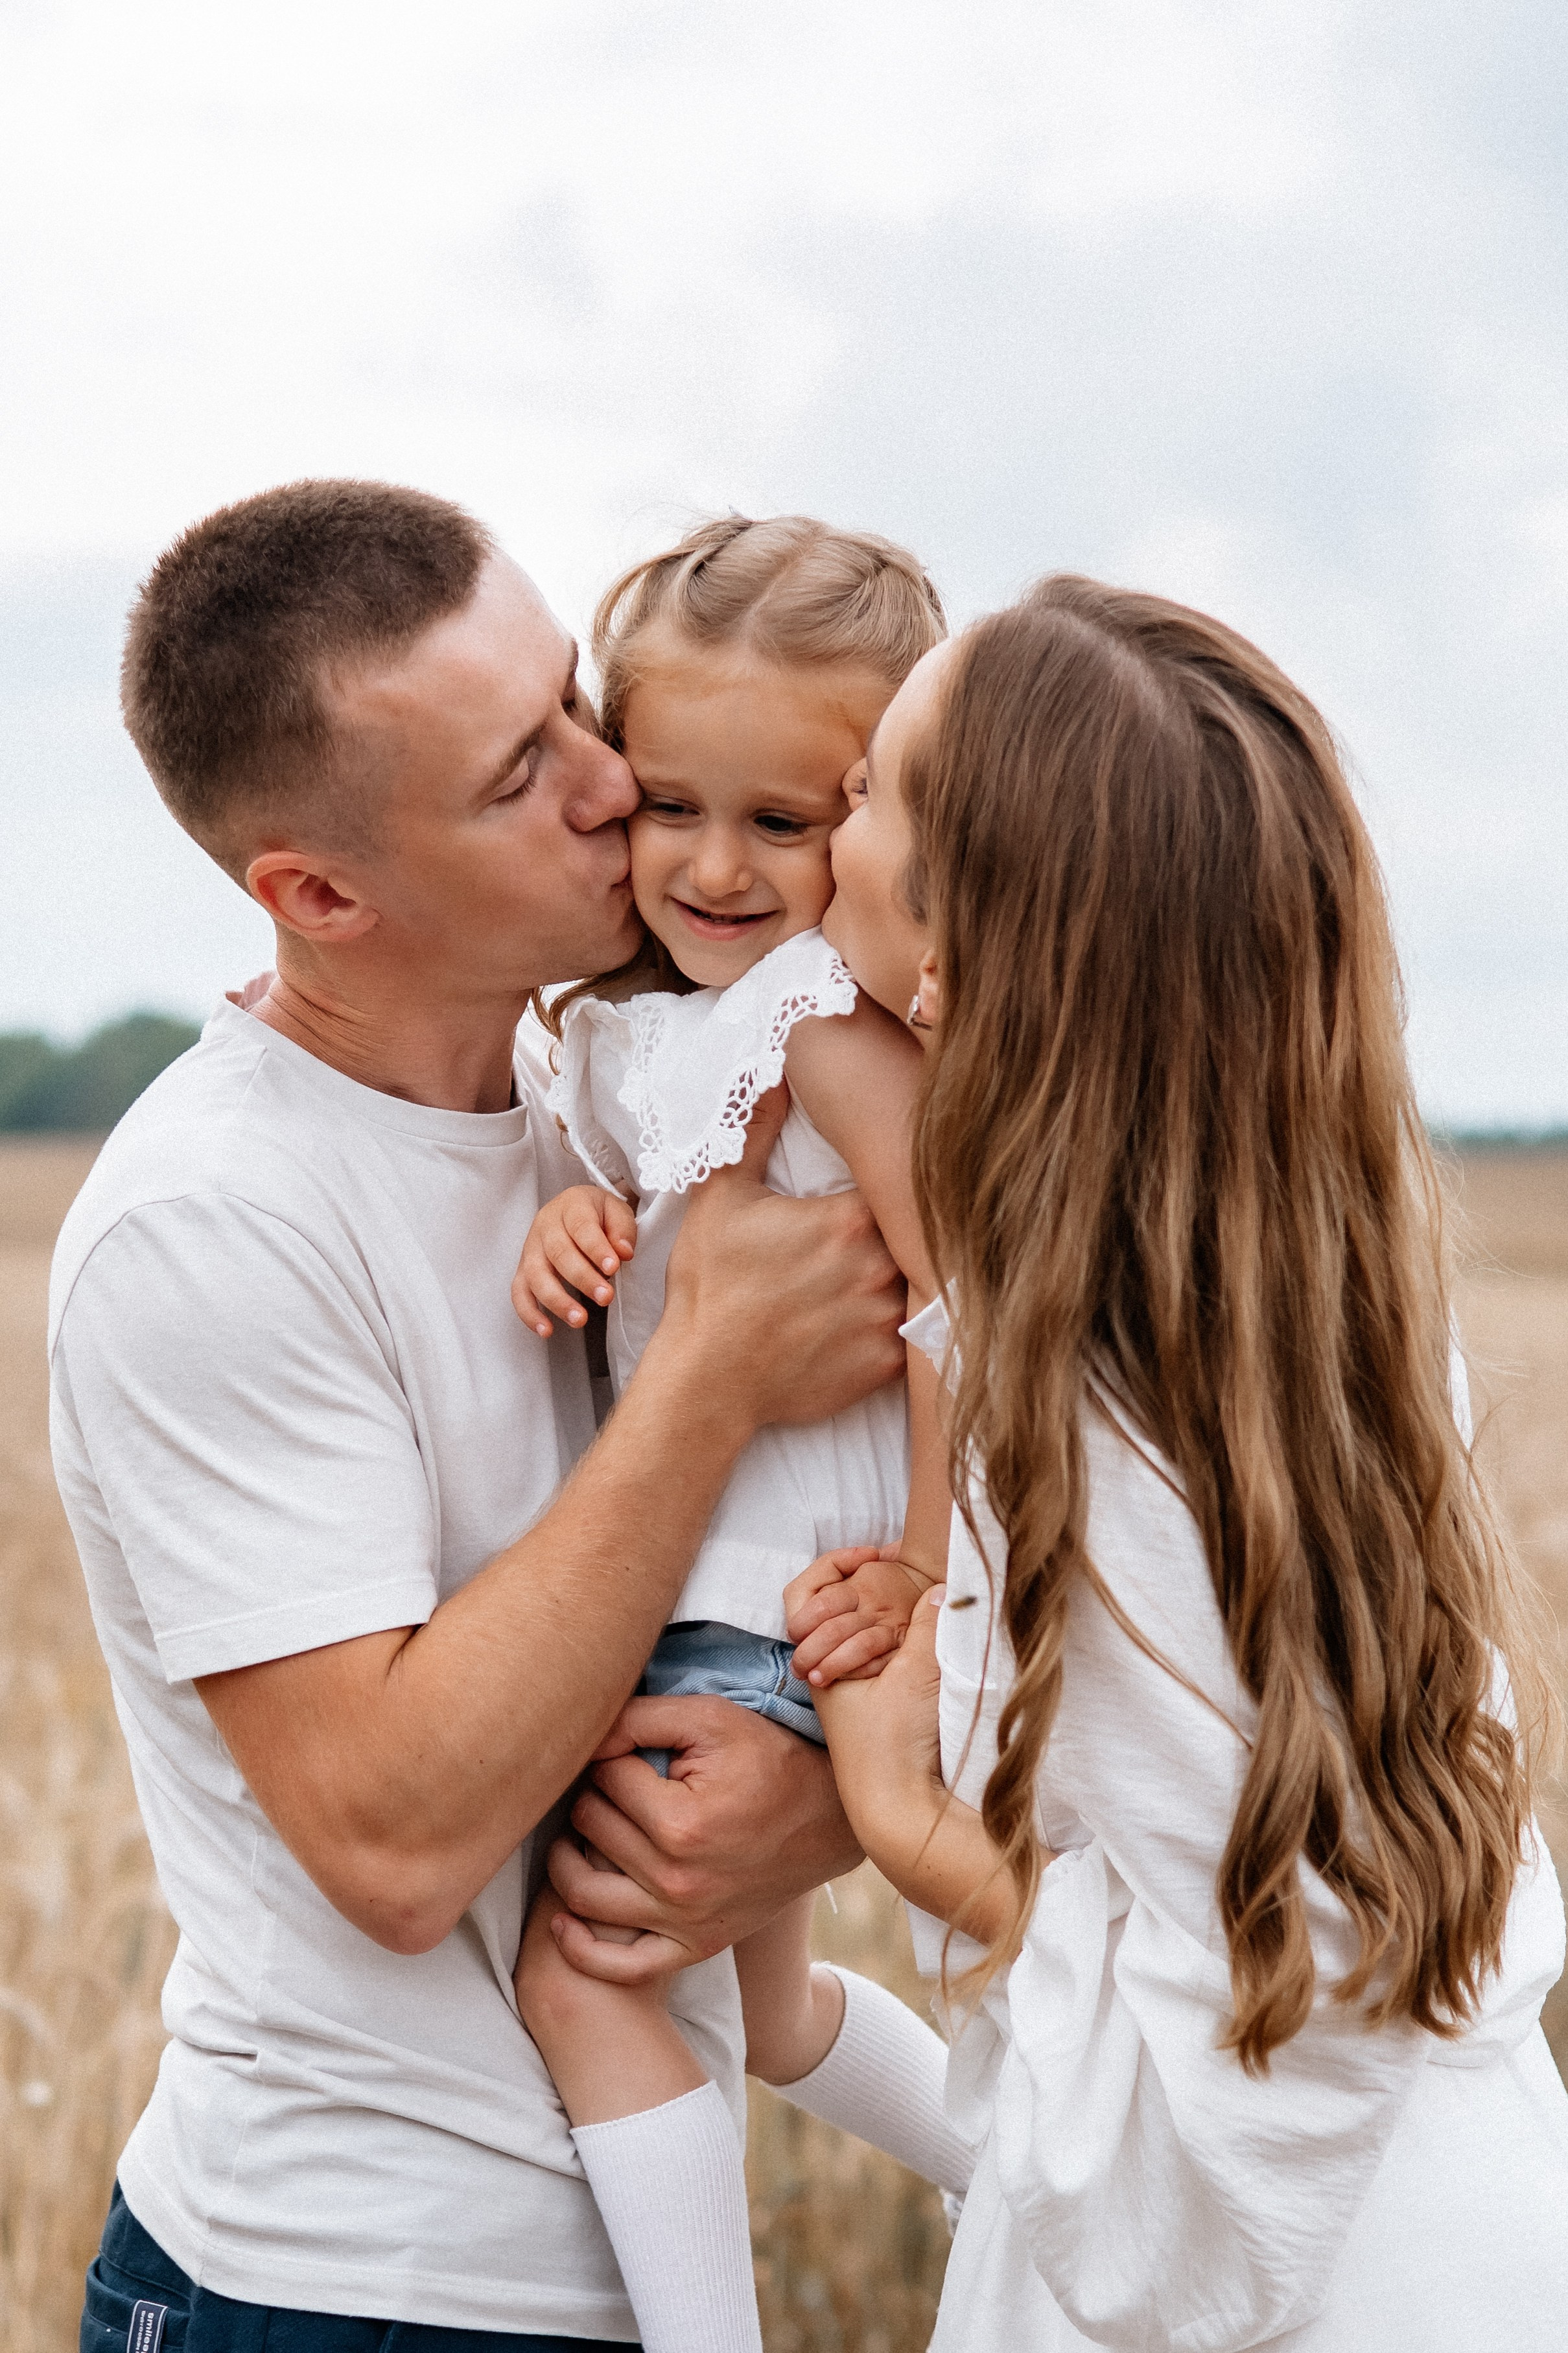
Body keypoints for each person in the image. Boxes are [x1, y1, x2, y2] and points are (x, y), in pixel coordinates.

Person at [52, 480, 912, 2351]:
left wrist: (829, 1801)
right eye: (524, 771)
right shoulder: (215, 1223)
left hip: (601, 2258)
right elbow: (395, 1844)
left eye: (577, 709)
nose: (615, 786)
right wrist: (708, 1375)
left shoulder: (600, 1095)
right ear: (319, 895)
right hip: (343, 2291)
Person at [790, 576, 1568, 2348]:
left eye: (870, 793)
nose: (825, 816)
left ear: (954, 958)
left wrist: (921, 1841)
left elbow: (1254, 2053)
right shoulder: (1307, 1315)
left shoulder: (1082, 1410)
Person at [510, 516, 977, 2353]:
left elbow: (967, 1307)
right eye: (667, 804)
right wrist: (578, 1227)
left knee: (591, 1975)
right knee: (768, 2022)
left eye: (782, 824)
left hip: (764, 1598)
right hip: (692, 1574)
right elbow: (654, 1262)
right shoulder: (633, 1033)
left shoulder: (829, 1031)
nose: (710, 868)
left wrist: (936, 1575)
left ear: (875, 821)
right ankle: (1028, 2170)